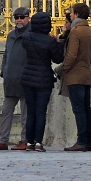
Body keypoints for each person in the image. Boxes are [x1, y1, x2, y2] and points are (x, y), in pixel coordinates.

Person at [0, 7, 30, 150]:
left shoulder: (31, 34)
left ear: (28, 18)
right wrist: (3, 70)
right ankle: (3, 140)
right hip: (10, 79)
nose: (18, 20)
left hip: (25, 78)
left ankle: (25, 139)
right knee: (6, 111)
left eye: (21, 17)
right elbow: (6, 55)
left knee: (25, 113)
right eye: (16, 17)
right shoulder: (11, 35)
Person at [20, 11, 64, 152]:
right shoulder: (50, 41)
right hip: (44, 78)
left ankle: (29, 142)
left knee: (30, 111)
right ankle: (38, 142)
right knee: (41, 111)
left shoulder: (26, 37)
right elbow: (57, 59)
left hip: (28, 76)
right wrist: (58, 44)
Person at [62, 2, 91, 151]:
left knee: (78, 110)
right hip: (86, 74)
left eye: (71, 12)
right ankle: (89, 140)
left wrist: (64, 69)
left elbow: (71, 55)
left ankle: (81, 140)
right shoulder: (89, 31)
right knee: (86, 109)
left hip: (75, 75)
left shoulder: (76, 32)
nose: (70, 15)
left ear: (76, 14)